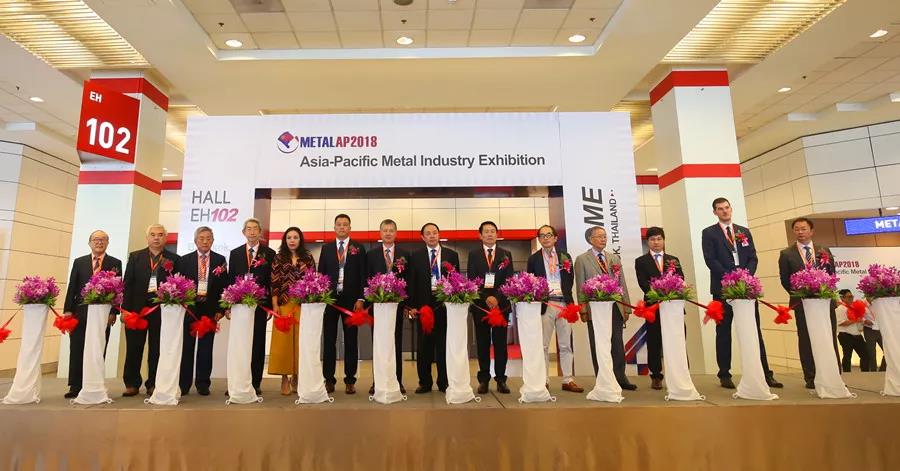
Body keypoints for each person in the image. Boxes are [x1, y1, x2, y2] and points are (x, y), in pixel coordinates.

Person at [701, 197, 781, 389]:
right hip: (723, 288)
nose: (724, 211)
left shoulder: (743, 231)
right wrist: (730, 278)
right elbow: (710, 260)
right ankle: (724, 374)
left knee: (754, 331)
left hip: (746, 288)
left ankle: (765, 373)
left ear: (731, 209)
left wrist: (745, 276)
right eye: (720, 209)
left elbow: (753, 257)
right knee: (723, 332)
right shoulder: (709, 233)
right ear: (715, 212)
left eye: (727, 207)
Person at [778, 217, 837, 389]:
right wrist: (802, 293)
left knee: (829, 336)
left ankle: (834, 373)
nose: (800, 232)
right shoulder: (786, 254)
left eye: (803, 229)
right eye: (797, 229)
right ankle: (811, 376)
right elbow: (785, 280)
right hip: (802, 303)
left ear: (811, 231)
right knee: (806, 339)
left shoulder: (824, 250)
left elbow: (832, 274)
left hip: (825, 302)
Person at [574, 226, 636, 391]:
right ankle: (603, 378)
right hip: (595, 308)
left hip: (615, 306)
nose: (603, 239)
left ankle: (620, 378)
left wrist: (626, 307)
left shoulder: (613, 258)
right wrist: (583, 309)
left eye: (605, 236)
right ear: (590, 239)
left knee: (617, 343)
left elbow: (622, 283)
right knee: (598, 343)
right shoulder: (582, 259)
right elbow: (580, 286)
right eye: (599, 236)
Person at [62, 230, 122, 399]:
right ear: (89, 243)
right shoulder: (79, 262)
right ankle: (75, 385)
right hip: (80, 312)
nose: (99, 242)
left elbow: (118, 290)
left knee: (98, 347)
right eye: (96, 239)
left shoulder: (115, 263)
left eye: (103, 239)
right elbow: (72, 287)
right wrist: (68, 311)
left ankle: (95, 383)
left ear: (107, 243)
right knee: (77, 348)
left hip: (103, 315)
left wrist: (114, 312)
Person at [122, 224, 180, 397]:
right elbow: (127, 284)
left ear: (165, 238)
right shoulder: (135, 257)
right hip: (136, 311)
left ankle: (154, 383)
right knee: (134, 347)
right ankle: (132, 383)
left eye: (160, 235)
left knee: (157, 348)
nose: (156, 238)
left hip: (161, 310)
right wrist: (125, 310)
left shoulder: (175, 259)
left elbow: (178, 285)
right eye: (153, 234)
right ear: (147, 237)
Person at [526, 224, 582, 393]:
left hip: (563, 304)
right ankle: (544, 380)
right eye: (542, 236)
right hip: (545, 304)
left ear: (555, 238)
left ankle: (568, 379)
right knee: (543, 345)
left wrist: (567, 297)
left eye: (549, 235)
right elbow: (530, 281)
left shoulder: (565, 256)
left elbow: (570, 279)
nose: (545, 238)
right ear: (539, 239)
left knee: (565, 344)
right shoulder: (533, 259)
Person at [407, 222, 459, 394]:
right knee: (424, 346)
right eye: (428, 233)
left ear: (439, 234)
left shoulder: (451, 255)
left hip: (444, 306)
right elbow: (412, 282)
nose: (432, 236)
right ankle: (425, 382)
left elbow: (456, 281)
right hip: (423, 307)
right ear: (422, 237)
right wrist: (411, 306)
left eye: (434, 232)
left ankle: (444, 382)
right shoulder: (415, 256)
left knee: (444, 345)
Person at [318, 214, 367, 394]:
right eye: (339, 224)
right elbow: (321, 274)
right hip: (330, 300)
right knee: (329, 340)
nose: (342, 227)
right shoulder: (326, 248)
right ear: (334, 227)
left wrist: (361, 298)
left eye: (345, 225)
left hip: (351, 301)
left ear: (350, 228)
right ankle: (329, 380)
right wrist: (322, 296)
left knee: (351, 341)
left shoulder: (359, 248)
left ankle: (350, 380)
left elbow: (363, 274)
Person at [228, 218, 276, 395]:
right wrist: (228, 305)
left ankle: (255, 383)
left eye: (255, 229)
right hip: (239, 306)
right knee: (240, 344)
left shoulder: (269, 253)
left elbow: (271, 281)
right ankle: (237, 382)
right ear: (244, 232)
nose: (252, 232)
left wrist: (270, 305)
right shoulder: (235, 253)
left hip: (260, 306)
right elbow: (230, 280)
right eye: (249, 229)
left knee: (257, 344)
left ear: (260, 232)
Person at [467, 221, 515, 394]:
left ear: (497, 234)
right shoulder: (473, 254)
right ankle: (484, 380)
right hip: (481, 306)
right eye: (486, 231)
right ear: (480, 235)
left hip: (501, 307)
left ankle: (501, 379)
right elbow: (472, 279)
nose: (489, 234)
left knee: (501, 344)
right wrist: (486, 298)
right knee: (482, 343)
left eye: (492, 231)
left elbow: (509, 280)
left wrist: (497, 298)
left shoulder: (506, 254)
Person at [178, 226, 227, 396]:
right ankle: (183, 384)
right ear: (195, 241)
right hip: (189, 309)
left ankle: (203, 383)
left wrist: (221, 309)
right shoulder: (184, 260)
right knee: (187, 348)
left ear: (213, 241)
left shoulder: (220, 260)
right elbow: (179, 286)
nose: (205, 241)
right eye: (201, 238)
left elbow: (223, 287)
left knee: (206, 349)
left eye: (208, 238)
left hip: (210, 310)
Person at [634, 226, 683, 390]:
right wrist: (660, 293)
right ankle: (656, 375)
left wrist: (670, 293)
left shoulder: (673, 260)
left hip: (673, 306)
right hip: (652, 308)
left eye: (659, 239)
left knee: (677, 339)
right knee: (654, 341)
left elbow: (680, 279)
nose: (656, 242)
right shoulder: (641, 261)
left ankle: (678, 373)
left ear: (663, 240)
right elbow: (643, 283)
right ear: (648, 242)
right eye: (652, 239)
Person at [365, 219, 410, 395]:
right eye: (385, 230)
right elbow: (366, 280)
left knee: (395, 343)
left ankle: (397, 381)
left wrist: (407, 305)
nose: (388, 233)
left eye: (391, 230)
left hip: (397, 307)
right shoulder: (371, 254)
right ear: (380, 233)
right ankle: (377, 381)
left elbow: (409, 281)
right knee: (378, 343)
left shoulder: (405, 254)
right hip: (377, 307)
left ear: (396, 233)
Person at [269, 227, 316, 395]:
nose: (292, 240)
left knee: (300, 341)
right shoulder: (278, 258)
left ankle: (296, 376)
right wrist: (275, 304)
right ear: (285, 240)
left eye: (295, 237)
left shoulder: (308, 257)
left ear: (300, 239)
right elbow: (274, 282)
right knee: (283, 342)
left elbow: (312, 281)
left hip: (302, 305)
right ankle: (284, 378)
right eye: (289, 237)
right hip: (283, 303)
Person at [835, 289, 870, 372]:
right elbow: (841, 323)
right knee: (847, 356)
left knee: (865, 355)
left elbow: (859, 318)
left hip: (857, 335)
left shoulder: (854, 307)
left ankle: (865, 373)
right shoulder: (840, 309)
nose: (851, 298)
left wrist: (863, 321)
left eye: (852, 296)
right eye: (849, 297)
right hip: (845, 335)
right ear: (842, 298)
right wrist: (855, 320)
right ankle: (847, 374)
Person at [863, 304, 887, 372]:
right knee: (872, 352)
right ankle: (873, 371)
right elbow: (859, 315)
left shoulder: (878, 303)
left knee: (887, 350)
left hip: (879, 329)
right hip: (869, 330)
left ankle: (882, 369)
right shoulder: (863, 304)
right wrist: (864, 320)